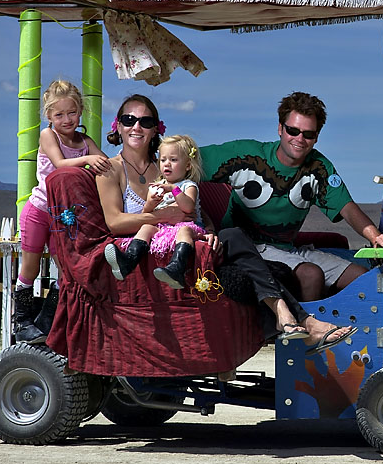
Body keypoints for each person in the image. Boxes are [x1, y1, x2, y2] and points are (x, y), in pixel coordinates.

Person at [98, 94, 353, 353]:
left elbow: (195, 207)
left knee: (231, 235)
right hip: (150, 248)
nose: (137, 127)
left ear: (156, 128)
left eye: (145, 121)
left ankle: (288, 318)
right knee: (239, 241)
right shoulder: (110, 168)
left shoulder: (168, 165)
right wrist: (163, 217)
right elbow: (114, 223)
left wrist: (208, 230)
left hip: (188, 240)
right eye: (129, 120)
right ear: (117, 126)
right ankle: (298, 319)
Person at [200, 91, 383, 302]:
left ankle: (353, 331)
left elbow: (347, 207)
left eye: (308, 134)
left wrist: (376, 237)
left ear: (316, 137)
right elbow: (183, 159)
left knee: (362, 277)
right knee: (311, 274)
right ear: (280, 128)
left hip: (289, 250)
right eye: (292, 130)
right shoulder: (246, 155)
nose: (299, 139)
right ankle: (306, 332)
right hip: (247, 248)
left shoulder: (319, 167)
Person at [14, 79, 111, 343]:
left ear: (81, 112)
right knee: (31, 266)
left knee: (66, 270)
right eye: (59, 114)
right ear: (49, 116)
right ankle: (21, 320)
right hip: (40, 209)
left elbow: (106, 165)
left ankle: (46, 320)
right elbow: (60, 164)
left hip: (65, 216)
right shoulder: (49, 136)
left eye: (72, 112)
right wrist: (89, 160)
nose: (67, 119)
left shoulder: (85, 140)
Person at [104, 133, 208, 290]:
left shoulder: (188, 186)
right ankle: (128, 260)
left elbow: (188, 208)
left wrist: (173, 190)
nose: (167, 164)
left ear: (187, 165)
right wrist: (151, 203)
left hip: (188, 227)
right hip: (164, 228)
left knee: (185, 231)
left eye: (173, 160)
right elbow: (145, 213)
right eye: (163, 159)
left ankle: (176, 268)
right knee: (146, 227)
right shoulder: (157, 185)